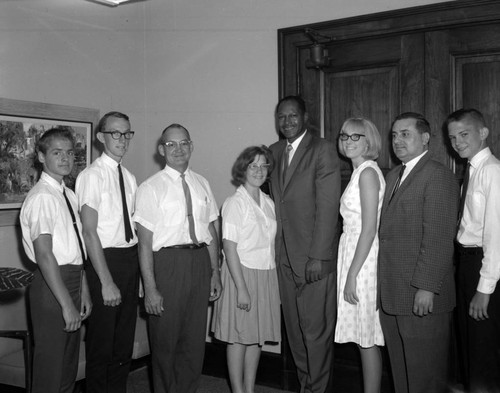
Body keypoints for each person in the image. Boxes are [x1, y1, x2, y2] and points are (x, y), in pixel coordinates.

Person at [134, 123, 222, 393]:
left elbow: (210, 230)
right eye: (171, 144)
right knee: (165, 343)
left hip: (199, 263)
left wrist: (215, 271)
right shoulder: (150, 188)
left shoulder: (201, 182)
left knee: (194, 343)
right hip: (167, 265)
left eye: (183, 143)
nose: (178, 149)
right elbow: (145, 243)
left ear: (192, 146)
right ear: (161, 150)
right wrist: (150, 288)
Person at [378, 112, 459, 393]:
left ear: (425, 139)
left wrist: (426, 287)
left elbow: (438, 238)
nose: (397, 140)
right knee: (402, 374)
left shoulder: (438, 175)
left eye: (405, 134)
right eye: (394, 135)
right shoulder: (393, 175)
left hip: (421, 295)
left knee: (425, 378)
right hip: (393, 292)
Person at [268, 95, 341, 393]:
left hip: (313, 258)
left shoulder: (322, 149)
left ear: (305, 117)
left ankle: (319, 389)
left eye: (293, 116)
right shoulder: (272, 152)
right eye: (281, 117)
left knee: (316, 333)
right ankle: (305, 387)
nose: (287, 122)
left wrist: (319, 256)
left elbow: (327, 208)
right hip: (283, 256)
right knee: (295, 333)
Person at [20, 127, 92, 393]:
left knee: (67, 367)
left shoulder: (67, 193)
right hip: (52, 287)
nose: (65, 159)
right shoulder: (42, 197)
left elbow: (75, 247)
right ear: (41, 156)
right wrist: (66, 304)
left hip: (72, 280)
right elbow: (45, 255)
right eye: (56, 152)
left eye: (70, 153)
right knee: (51, 368)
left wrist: (82, 289)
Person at [75, 112, 139, 393]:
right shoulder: (91, 176)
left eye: (127, 133)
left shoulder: (129, 176)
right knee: (102, 345)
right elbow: (89, 233)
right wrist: (106, 281)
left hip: (129, 259)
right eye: (115, 133)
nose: (122, 139)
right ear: (101, 137)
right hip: (105, 262)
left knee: (123, 343)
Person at [212, 145, 281, 393]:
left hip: (265, 274)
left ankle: (249, 389)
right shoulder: (234, 203)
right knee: (239, 337)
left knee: (256, 337)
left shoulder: (269, 202)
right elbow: (229, 248)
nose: (259, 170)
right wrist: (241, 289)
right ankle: (238, 391)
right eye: (253, 165)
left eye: (264, 166)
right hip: (240, 274)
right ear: (243, 169)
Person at [446, 108, 500, 392]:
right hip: (466, 264)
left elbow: (496, 235)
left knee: (483, 348)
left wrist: (484, 289)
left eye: (464, 134)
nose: (457, 142)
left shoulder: (492, 171)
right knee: (468, 343)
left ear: (483, 133)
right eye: (453, 137)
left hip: (483, 265)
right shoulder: (471, 169)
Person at [334, 118, 385, 393]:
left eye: (356, 137)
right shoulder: (360, 172)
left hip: (362, 259)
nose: (348, 141)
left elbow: (368, 230)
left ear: (369, 141)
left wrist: (352, 274)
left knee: (367, 337)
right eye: (344, 136)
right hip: (353, 252)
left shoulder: (367, 173)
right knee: (365, 338)